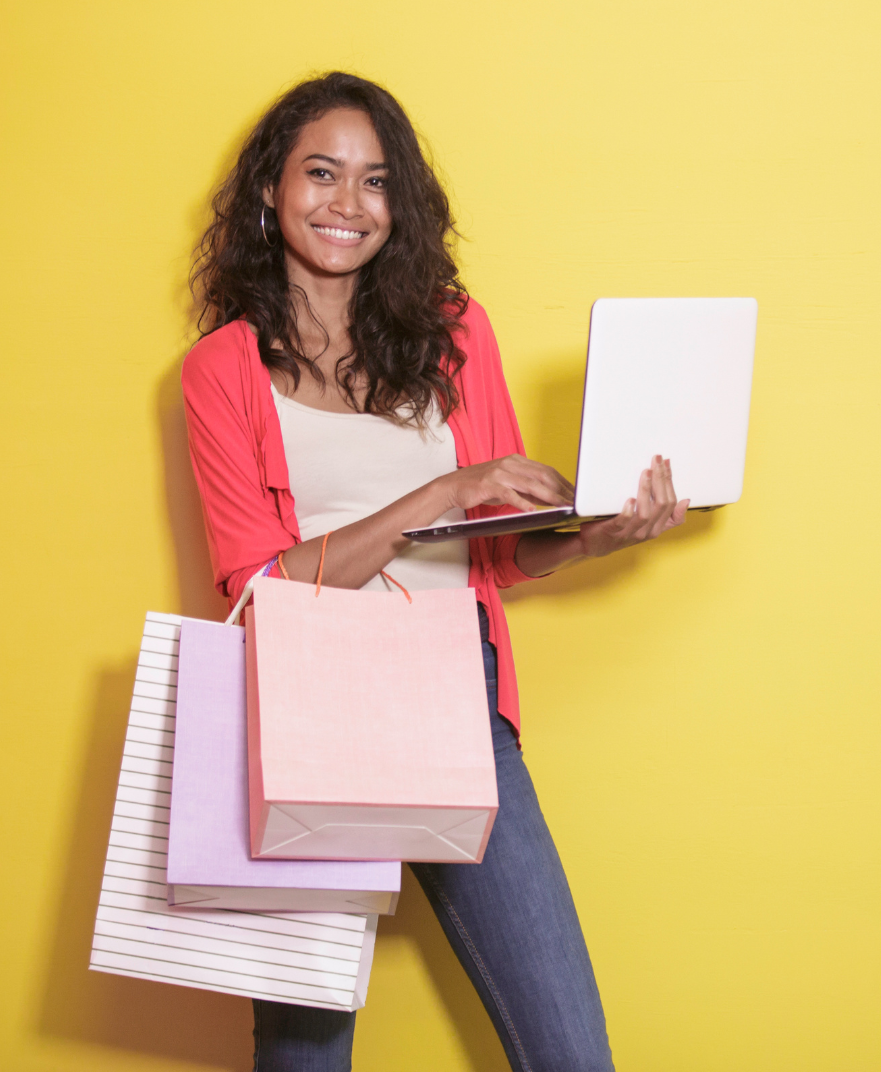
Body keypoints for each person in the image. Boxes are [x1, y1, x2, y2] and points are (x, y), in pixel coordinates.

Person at [181, 72, 688, 1072]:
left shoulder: (456, 332)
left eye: (375, 183)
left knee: (570, 1053)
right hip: (302, 722)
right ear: (270, 193)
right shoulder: (223, 369)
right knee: (305, 1058)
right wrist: (443, 490)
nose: (347, 204)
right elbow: (258, 589)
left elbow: (502, 545)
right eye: (320, 174)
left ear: (398, 205)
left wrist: (602, 535)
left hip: (461, 709)